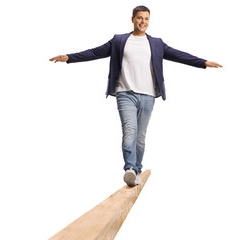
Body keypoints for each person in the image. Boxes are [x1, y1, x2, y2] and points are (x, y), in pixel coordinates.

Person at [50, 5, 222, 187]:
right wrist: (69, 57)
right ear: (132, 19)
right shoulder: (119, 40)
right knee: (129, 131)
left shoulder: (156, 43)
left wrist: (203, 62)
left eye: (146, 19)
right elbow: (95, 52)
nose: (143, 22)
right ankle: (129, 169)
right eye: (139, 18)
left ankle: (137, 171)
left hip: (148, 96)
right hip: (125, 93)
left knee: (140, 137)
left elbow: (179, 55)